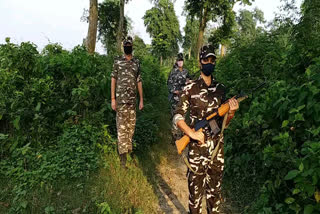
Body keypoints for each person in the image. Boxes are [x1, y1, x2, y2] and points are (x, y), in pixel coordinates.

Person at [172, 45, 239, 213]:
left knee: (214, 196)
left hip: (217, 151)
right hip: (197, 152)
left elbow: (225, 124)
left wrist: (230, 113)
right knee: (195, 198)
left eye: (212, 60)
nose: (209, 63)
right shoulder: (190, 88)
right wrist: (191, 133)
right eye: (206, 60)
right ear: (200, 62)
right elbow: (178, 116)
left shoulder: (221, 89)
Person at [111, 36, 144, 168]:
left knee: (130, 128)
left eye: (129, 44)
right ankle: (123, 159)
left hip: (132, 102)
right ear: (123, 46)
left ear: (132, 46)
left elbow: (139, 81)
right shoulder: (118, 62)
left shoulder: (136, 62)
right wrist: (113, 99)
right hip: (120, 101)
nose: (128, 46)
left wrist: (141, 99)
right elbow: (113, 79)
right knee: (121, 128)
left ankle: (129, 152)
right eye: (126, 44)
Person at [167, 53, 190, 142]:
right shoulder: (173, 72)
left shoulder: (186, 72)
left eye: (181, 60)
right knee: (175, 116)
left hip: (183, 97)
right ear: (177, 62)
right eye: (179, 60)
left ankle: (181, 135)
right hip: (175, 98)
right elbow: (168, 83)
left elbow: (189, 82)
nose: (180, 62)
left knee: (183, 115)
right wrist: (174, 91)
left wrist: (188, 82)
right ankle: (174, 135)